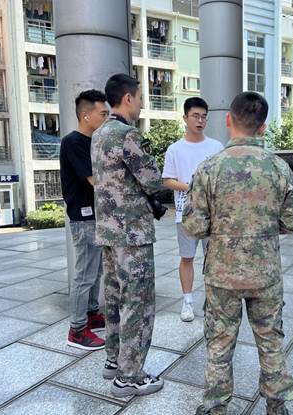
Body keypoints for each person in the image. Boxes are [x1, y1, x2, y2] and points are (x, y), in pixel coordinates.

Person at [183, 92, 293, 415]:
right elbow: (292, 222)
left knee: (219, 344)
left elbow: (194, 226)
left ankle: (216, 408)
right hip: (265, 275)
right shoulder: (280, 168)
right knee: (271, 340)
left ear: (228, 120)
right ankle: (277, 407)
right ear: (263, 127)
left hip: (222, 275)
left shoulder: (209, 168)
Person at [91, 74, 164, 398]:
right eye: (140, 97)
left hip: (108, 231)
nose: (141, 103)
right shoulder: (127, 134)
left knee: (114, 298)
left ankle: (113, 360)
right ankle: (130, 376)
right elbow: (152, 179)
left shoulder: (99, 133)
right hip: (132, 234)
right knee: (138, 302)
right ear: (128, 98)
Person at [162, 97, 224, 322]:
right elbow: (167, 180)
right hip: (186, 213)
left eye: (204, 116)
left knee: (213, 259)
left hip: (212, 214)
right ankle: (187, 302)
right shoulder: (175, 149)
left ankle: (212, 302)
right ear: (185, 118)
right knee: (187, 257)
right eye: (195, 116)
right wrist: (191, 187)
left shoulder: (216, 147)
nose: (200, 121)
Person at [60, 89, 108, 351]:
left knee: (96, 270)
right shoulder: (73, 142)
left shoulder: (93, 142)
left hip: (96, 215)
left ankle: (91, 313)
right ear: (85, 115)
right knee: (84, 274)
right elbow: (94, 180)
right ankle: (77, 330)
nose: (106, 118)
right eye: (103, 114)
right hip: (83, 216)